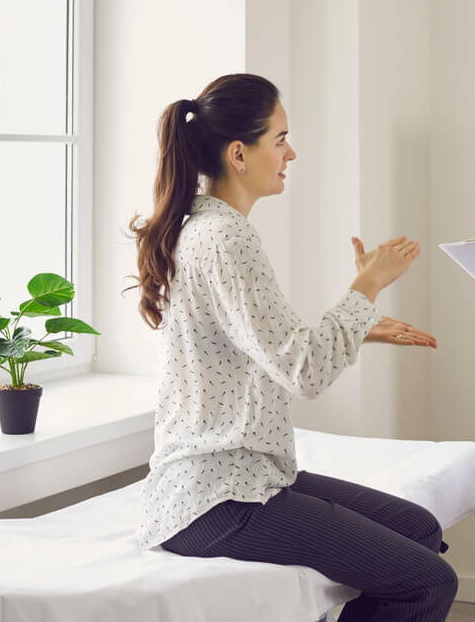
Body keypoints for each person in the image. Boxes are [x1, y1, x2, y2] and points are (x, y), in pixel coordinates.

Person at [128, 73, 457, 621]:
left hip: (245, 476)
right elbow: (303, 372)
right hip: (217, 499)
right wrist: (368, 284)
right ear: (239, 153)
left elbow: (264, 346)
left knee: (419, 528)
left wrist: (358, 326)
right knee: (428, 583)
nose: (291, 152)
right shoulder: (226, 237)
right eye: (280, 139)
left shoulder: (207, 226)